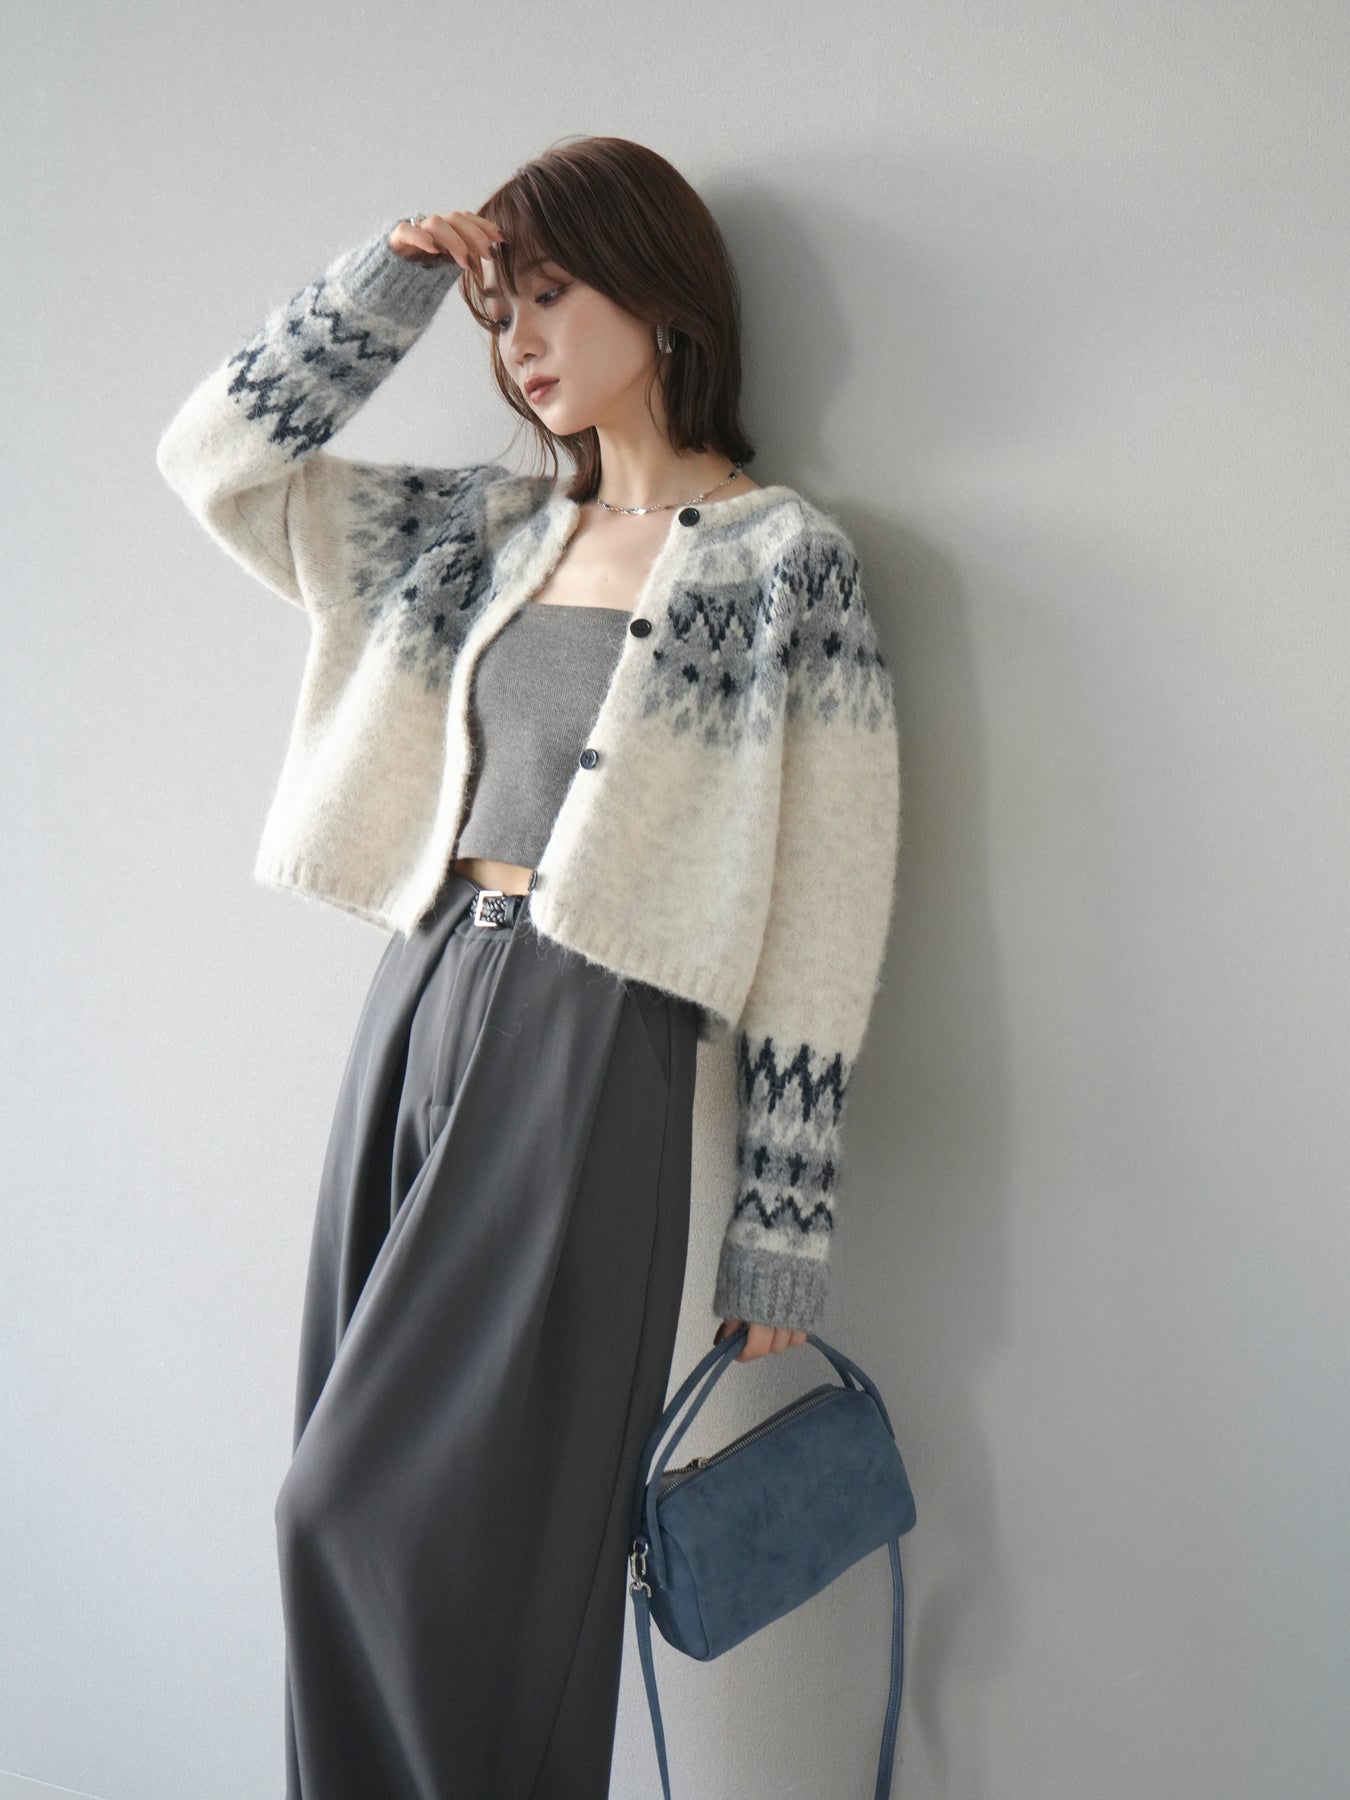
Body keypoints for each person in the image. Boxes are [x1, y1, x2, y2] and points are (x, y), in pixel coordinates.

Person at [156, 134, 901, 1800]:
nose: (521, 342)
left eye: (552, 296)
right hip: (419, 998)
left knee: (375, 1523)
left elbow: (827, 905)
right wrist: (387, 289)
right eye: (505, 311)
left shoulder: (784, 564)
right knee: (372, 1514)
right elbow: (214, 463)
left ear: (660, 292)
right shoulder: (474, 530)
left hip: (590, 1040)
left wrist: (780, 1223)